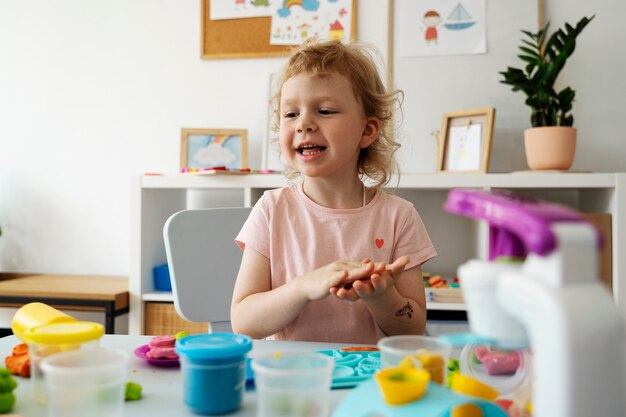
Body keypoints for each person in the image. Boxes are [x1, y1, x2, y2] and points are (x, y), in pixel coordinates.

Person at [231, 39, 436, 344]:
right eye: (290, 114)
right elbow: (244, 322)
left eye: (324, 110)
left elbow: (412, 328)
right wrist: (303, 287)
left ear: (367, 131)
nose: (304, 124)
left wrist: (383, 298)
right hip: (296, 378)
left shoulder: (399, 216)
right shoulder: (271, 209)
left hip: (370, 380)